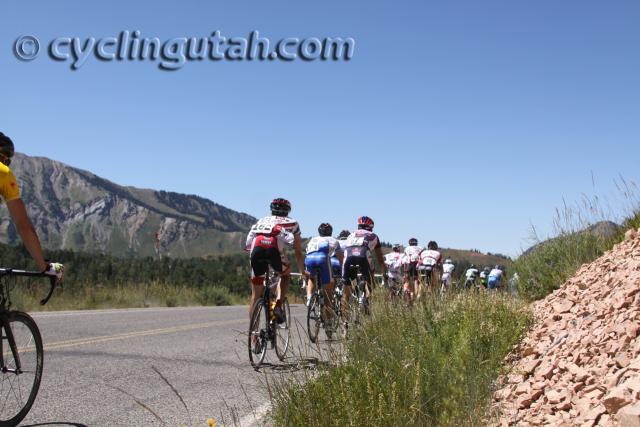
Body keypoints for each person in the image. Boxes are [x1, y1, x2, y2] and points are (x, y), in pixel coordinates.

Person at [0, 132, 64, 280]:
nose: (5, 163)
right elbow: (23, 226)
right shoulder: (3, 173)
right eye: (5, 159)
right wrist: (44, 266)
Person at [245, 198, 305, 323]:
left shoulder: (262, 220)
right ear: (288, 210)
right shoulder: (293, 223)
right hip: (274, 253)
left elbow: (248, 245)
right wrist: (302, 271)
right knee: (286, 275)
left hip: (256, 252)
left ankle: (253, 331)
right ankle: (278, 304)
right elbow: (298, 250)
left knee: (255, 295)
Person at [342, 216, 387, 308]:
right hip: (363, 255)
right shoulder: (373, 235)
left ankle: (344, 316)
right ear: (371, 227)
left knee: (346, 291)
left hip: (348, 257)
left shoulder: (351, 235)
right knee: (370, 280)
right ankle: (366, 301)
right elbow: (380, 259)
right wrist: (384, 274)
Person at [304, 223, 343, 318]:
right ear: (331, 232)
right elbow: (340, 257)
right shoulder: (334, 240)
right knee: (328, 292)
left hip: (309, 259)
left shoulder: (312, 239)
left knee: (311, 278)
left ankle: (309, 298)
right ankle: (328, 321)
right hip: (323, 259)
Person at [402, 238, 423, 304]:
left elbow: (405, 258)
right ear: (416, 243)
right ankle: (416, 297)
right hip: (417, 265)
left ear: (409, 243)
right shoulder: (421, 248)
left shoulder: (407, 248)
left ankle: (409, 295)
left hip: (409, 265)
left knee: (408, 281)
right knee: (417, 281)